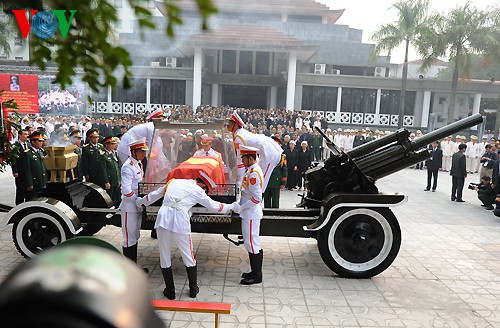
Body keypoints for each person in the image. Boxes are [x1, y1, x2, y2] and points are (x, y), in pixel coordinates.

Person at [136, 173, 239, 299]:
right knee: (188, 255)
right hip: (180, 220)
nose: (204, 192)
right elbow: (215, 207)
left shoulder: (173, 182)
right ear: (202, 185)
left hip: (163, 218)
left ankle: (170, 291)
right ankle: (193, 289)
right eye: (205, 189)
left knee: (164, 255)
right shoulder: (198, 191)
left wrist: (139, 202)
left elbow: (153, 196)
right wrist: (232, 206)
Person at [226, 111, 282, 191]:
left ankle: (257, 200)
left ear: (235, 125)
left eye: (229, 124)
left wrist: (239, 180)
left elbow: (240, 160)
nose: (227, 126)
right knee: (256, 177)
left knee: (261, 180)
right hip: (263, 151)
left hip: (269, 151)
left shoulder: (239, 137)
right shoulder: (239, 133)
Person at [120, 137, 149, 270]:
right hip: (129, 206)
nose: (144, 154)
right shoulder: (128, 167)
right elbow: (126, 190)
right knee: (129, 238)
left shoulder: (138, 164)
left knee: (135, 235)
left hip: (136, 205)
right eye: (141, 152)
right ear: (134, 152)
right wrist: (137, 200)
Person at [238, 145, 264, 285]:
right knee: (251, 242)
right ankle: (254, 272)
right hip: (249, 212)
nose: (242, 160)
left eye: (244, 158)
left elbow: (256, 198)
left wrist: (242, 207)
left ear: (251, 158)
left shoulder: (254, 173)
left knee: (252, 243)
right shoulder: (251, 170)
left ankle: (256, 275)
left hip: (251, 213)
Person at [19, 132, 48, 201]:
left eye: (42, 141)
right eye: (39, 141)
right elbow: (27, 170)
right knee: (31, 200)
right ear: (33, 142)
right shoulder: (27, 154)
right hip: (34, 183)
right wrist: (29, 183)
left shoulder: (40, 152)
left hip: (41, 181)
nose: (41, 143)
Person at [263, 136, 287, 208]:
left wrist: (283, 182)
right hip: (266, 180)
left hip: (276, 181)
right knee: (266, 200)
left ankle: (275, 215)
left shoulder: (282, 157)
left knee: (275, 201)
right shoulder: (265, 155)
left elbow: (284, 170)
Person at [100, 136, 121, 206]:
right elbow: (103, 170)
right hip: (110, 180)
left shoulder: (113, 154)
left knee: (115, 198)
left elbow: (116, 167)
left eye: (113, 144)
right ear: (106, 144)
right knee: (109, 199)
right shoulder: (103, 155)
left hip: (115, 180)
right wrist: (106, 182)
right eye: (111, 144)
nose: (113, 146)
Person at [11, 129, 30, 204]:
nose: (27, 136)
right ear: (19, 135)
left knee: (28, 191)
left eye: (27, 134)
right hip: (20, 171)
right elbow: (13, 159)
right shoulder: (15, 146)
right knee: (20, 190)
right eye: (25, 134)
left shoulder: (29, 144)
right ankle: (19, 205)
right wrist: (15, 171)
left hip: (28, 171)